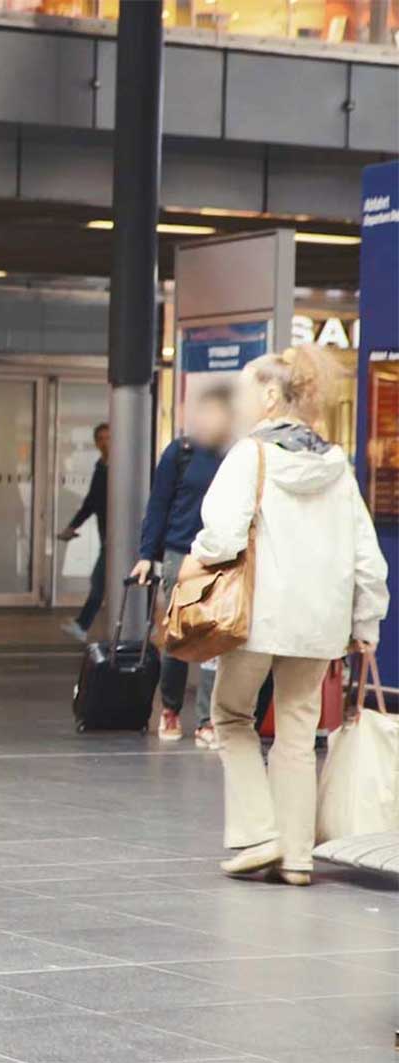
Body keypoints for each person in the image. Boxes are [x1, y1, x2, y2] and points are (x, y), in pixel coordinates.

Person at [191, 346, 388, 887]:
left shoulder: (250, 455)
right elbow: (366, 556)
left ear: (273, 395)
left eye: (251, 389)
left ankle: (259, 836)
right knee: (299, 736)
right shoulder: (337, 463)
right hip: (319, 625)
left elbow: (223, 533)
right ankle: (298, 857)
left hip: (258, 618)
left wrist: (198, 557)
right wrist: (366, 623)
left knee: (231, 716)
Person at [131, 391, 231, 748]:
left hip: (221, 555)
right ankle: (171, 708)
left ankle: (207, 719)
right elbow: (158, 505)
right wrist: (147, 553)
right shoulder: (180, 453)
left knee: (215, 642)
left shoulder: (236, 455)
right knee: (178, 636)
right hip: (180, 554)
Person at [59, 423, 111, 640]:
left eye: (109, 437)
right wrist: (72, 526)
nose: (105, 441)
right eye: (101, 438)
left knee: (99, 580)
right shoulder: (101, 467)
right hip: (106, 534)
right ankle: (146, 621)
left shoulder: (120, 468)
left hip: (118, 536)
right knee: (106, 579)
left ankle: (82, 625)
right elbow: (91, 502)